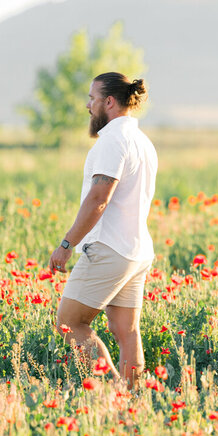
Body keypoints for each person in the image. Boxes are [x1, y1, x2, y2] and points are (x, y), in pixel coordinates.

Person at [49, 72, 157, 388]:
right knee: (127, 331)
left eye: (92, 98)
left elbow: (99, 198)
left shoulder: (113, 140)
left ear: (108, 102)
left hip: (110, 248)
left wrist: (67, 244)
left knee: (70, 323)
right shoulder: (142, 141)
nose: (88, 105)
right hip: (136, 250)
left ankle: (113, 395)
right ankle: (134, 399)